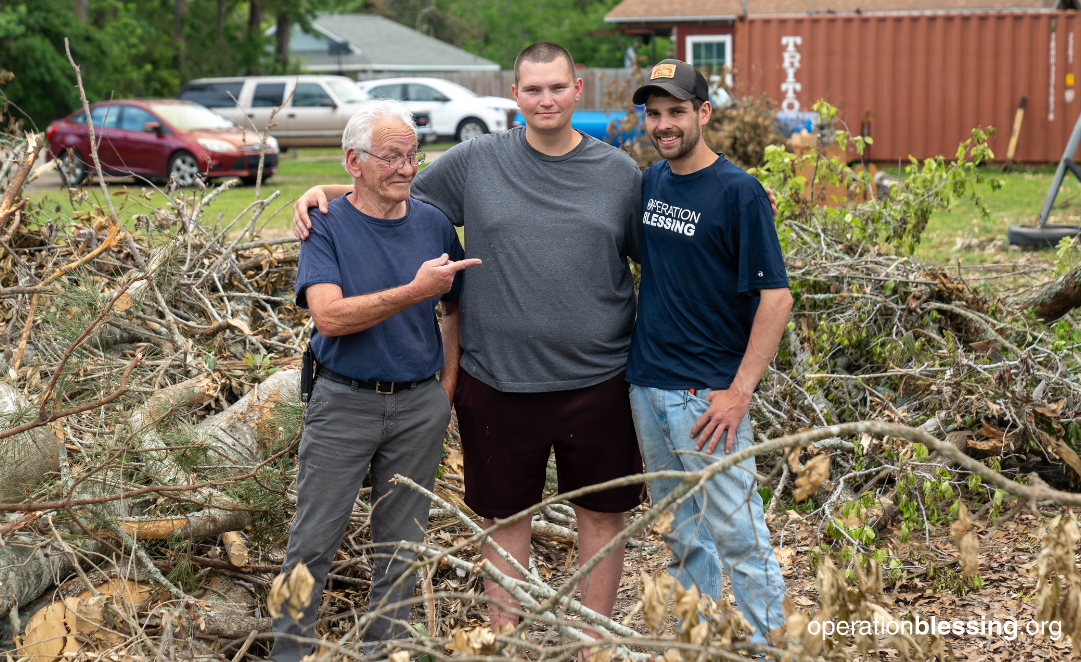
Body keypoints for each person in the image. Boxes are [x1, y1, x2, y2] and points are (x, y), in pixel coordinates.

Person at [290, 44, 780, 634]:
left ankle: (591, 643)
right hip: (497, 378)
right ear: (515, 95)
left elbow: (682, 233)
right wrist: (321, 192)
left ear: (577, 89)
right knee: (503, 518)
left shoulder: (620, 174)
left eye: (556, 87)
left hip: (600, 379)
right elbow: (391, 183)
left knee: (602, 515)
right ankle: (507, 641)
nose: (545, 100)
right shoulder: (475, 161)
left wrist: (745, 202)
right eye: (532, 89)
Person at [271, 99, 480, 662]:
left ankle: (385, 653)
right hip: (343, 401)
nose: (406, 168)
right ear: (353, 162)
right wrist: (414, 291)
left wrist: (446, 387)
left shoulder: (433, 223)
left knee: (401, 550)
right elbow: (329, 317)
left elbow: (455, 307)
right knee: (310, 544)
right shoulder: (325, 224)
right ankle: (288, 652)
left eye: (413, 155)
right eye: (391, 157)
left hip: (419, 406)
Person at [625, 59, 792, 646]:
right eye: (654, 114)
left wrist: (739, 392)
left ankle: (771, 649)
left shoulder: (739, 192)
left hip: (707, 398)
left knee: (741, 538)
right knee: (682, 536)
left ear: (704, 113)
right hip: (648, 387)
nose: (663, 124)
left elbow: (777, 299)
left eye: (676, 111)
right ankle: (696, 645)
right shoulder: (650, 182)